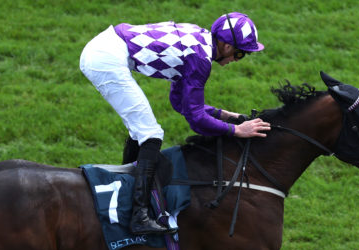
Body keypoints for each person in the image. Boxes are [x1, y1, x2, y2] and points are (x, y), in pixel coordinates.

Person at [80, 12, 271, 235]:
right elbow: (196, 119)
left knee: (142, 130)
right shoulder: (200, 59)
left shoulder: (199, 42)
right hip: (105, 58)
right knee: (150, 133)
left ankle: (128, 191)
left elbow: (180, 103)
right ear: (227, 46)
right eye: (241, 54)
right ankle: (138, 215)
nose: (237, 60)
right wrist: (236, 130)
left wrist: (224, 115)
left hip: (104, 49)